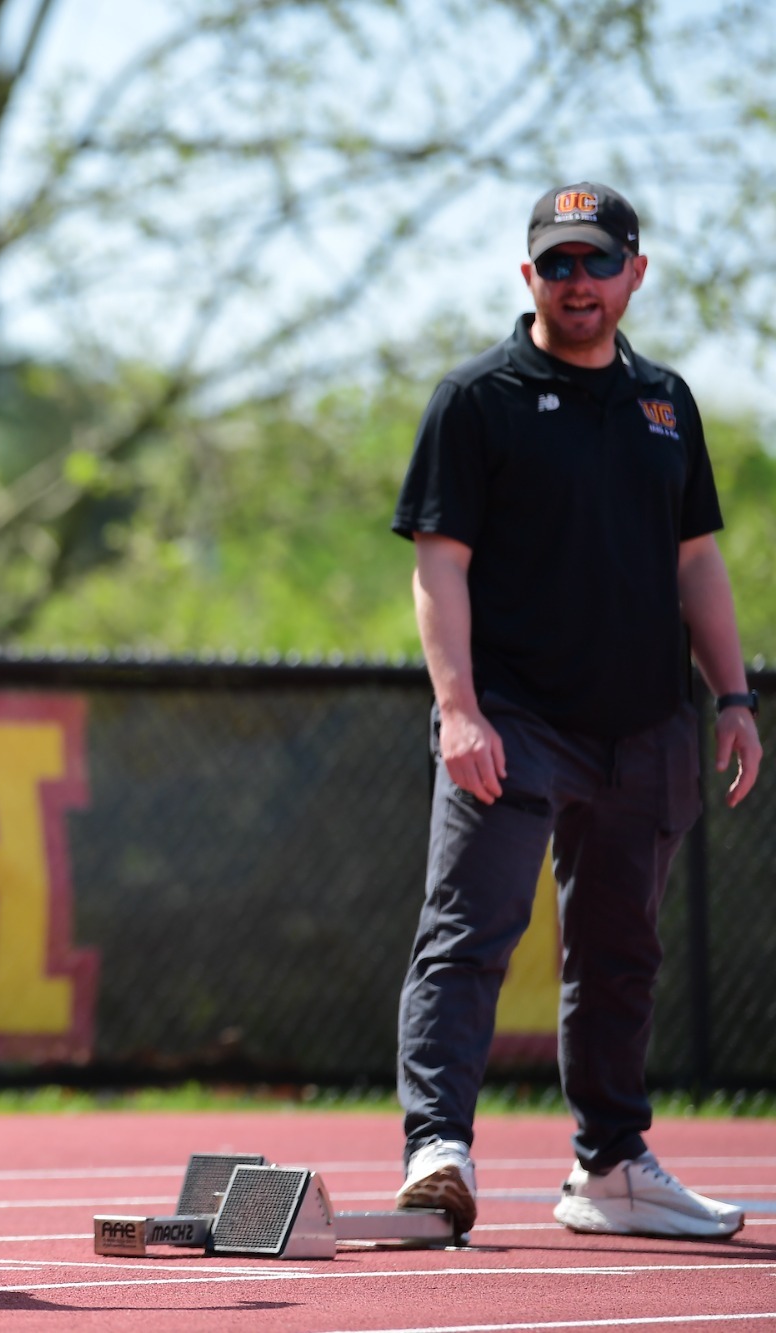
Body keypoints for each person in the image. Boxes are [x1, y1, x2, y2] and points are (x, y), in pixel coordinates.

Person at [390, 182, 761, 1241]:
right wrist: (457, 709)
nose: (577, 283)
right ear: (527, 278)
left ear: (633, 272)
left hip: (645, 726)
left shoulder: (665, 404)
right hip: (513, 719)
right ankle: (437, 1150)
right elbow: (436, 566)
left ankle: (608, 1167)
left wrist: (730, 697)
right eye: (555, 264)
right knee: (468, 933)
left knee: (619, 952)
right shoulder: (477, 399)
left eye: (596, 262)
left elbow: (696, 563)